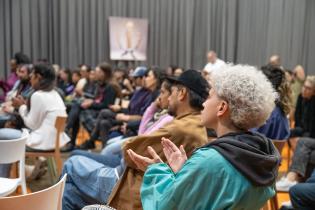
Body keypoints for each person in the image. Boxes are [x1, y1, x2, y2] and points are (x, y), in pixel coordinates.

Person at [127, 65, 280, 210]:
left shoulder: (209, 160)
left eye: (209, 97)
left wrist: (155, 171)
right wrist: (186, 172)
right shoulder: (263, 156)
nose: (204, 104)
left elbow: (165, 205)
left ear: (222, 107)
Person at [62, 70, 209, 210]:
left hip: (132, 190)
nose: (169, 97)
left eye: (172, 92)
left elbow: (129, 152)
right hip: (143, 186)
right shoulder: (194, 125)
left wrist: (129, 143)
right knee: (69, 192)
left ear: (182, 93)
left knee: (71, 163)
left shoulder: (180, 128)